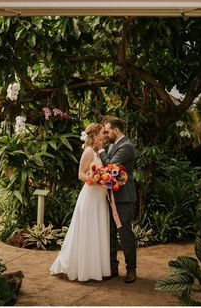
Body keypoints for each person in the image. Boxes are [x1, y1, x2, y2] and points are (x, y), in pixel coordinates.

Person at [50, 123, 111, 281]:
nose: (105, 135)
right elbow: (81, 175)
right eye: (102, 132)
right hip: (90, 196)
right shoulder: (89, 151)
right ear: (94, 135)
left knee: (97, 231)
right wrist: (97, 180)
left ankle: (95, 269)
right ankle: (80, 268)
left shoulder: (99, 152)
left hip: (100, 198)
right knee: (88, 231)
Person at [97, 116, 137, 283]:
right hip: (111, 195)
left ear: (116, 130)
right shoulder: (114, 145)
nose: (106, 134)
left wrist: (100, 150)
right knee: (111, 233)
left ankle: (131, 270)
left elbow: (111, 166)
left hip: (123, 198)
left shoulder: (126, 147)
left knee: (125, 233)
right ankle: (113, 268)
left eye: (107, 131)